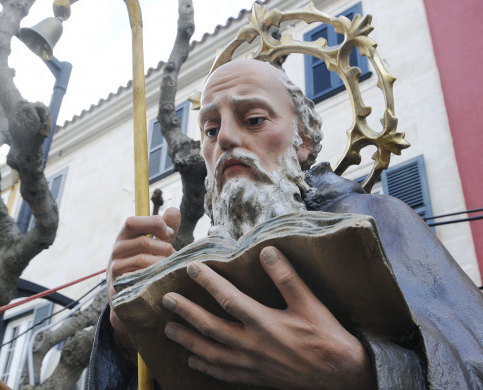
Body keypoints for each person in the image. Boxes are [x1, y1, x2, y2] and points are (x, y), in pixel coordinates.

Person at [89, 59, 483, 389]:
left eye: (254, 119)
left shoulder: (380, 219)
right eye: (210, 130)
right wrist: (126, 335)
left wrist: (360, 372)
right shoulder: (193, 267)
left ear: (304, 141)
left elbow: (473, 359)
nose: (224, 137)